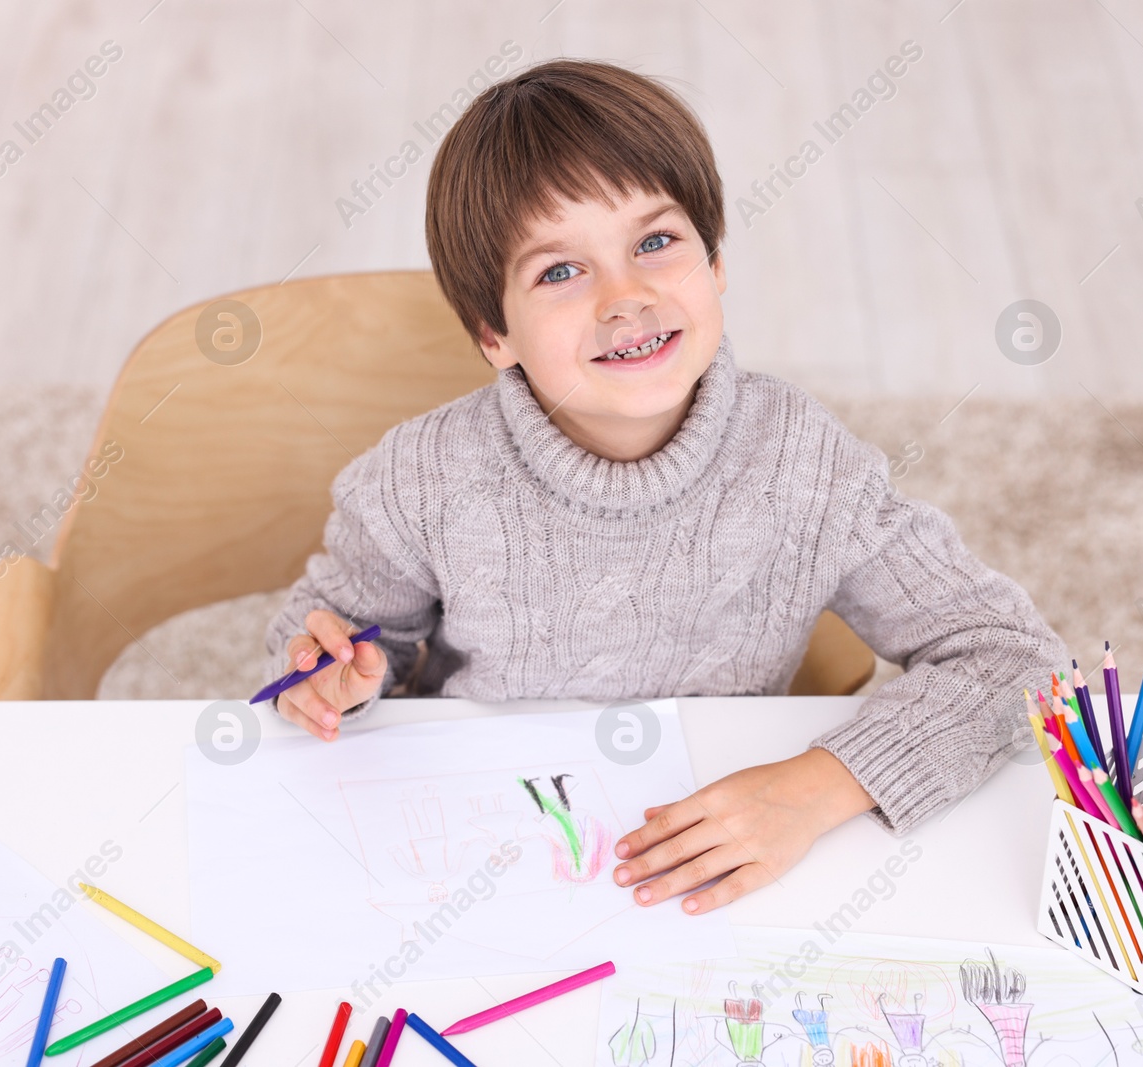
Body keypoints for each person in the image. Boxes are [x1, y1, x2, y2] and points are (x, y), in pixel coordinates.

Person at [263, 59, 1066, 914]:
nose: (627, 297)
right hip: (482, 859)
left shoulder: (802, 461)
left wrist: (816, 786)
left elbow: (1016, 657)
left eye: (654, 243)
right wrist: (328, 675)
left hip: (707, 861)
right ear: (495, 333)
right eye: (560, 272)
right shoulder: (422, 476)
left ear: (715, 262)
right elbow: (339, 632)